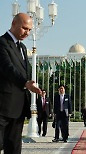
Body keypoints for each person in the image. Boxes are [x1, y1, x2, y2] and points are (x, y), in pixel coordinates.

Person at [0, 13, 42, 154]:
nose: (27, 33)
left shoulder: (23, 48)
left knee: (14, 148)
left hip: (18, 108)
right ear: (13, 23)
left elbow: (25, 71)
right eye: (24, 28)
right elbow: (8, 68)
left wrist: (32, 84)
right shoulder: (2, 43)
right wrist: (25, 82)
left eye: (30, 30)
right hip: (3, 107)